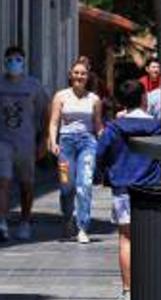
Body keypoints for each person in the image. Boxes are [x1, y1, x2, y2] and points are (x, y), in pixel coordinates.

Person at [95, 80, 161, 300]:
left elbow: (100, 153)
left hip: (123, 188)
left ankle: (129, 291)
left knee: (126, 239)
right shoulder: (157, 126)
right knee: (152, 239)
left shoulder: (114, 127)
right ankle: (153, 288)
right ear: (143, 98)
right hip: (151, 188)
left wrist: (103, 172)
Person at [47, 61, 104, 242]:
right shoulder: (61, 96)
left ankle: (83, 227)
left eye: (83, 73)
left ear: (88, 76)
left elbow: (97, 124)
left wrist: (104, 140)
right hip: (66, 144)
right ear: (70, 74)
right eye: (76, 73)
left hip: (87, 143)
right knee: (66, 186)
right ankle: (67, 218)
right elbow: (54, 122)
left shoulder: (94, 99)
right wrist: (53, 141)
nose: (79, 76)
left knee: (85, 184)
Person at [0, 46, 50, 242]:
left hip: (26, 142)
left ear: (24, 61)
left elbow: (45, 113)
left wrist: (44, 140)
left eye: (18, 59)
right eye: (10, 59)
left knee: (26, 185)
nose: (14, 63)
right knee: (2, 182)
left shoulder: (33, 86)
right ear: (4, 62)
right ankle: (2, 222)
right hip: (3, 142)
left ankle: (25, 221)